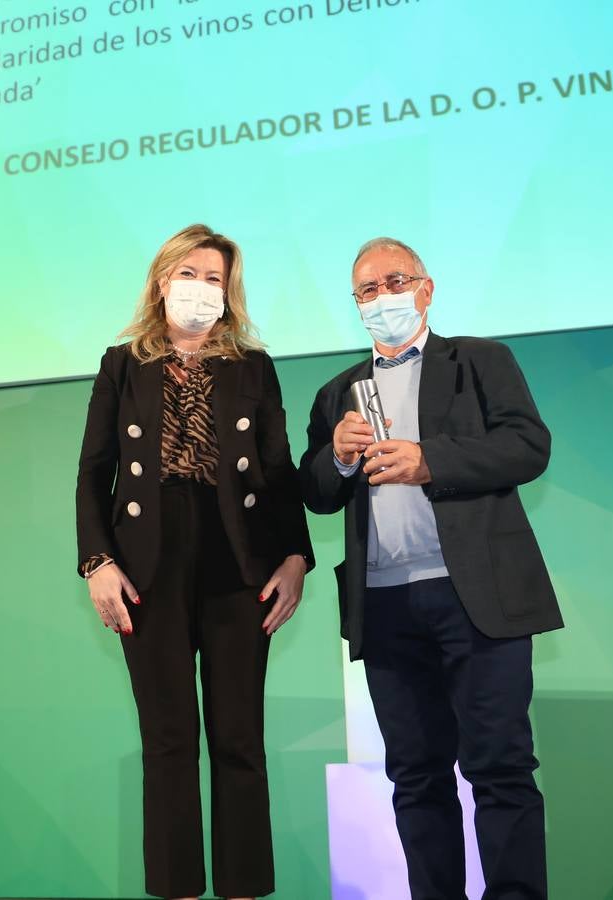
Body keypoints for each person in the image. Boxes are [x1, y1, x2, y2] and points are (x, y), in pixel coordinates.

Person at [300, 237, 563, 899]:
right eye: (367, 289)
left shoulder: (479, 361)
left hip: (477, 595)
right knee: (416, 776)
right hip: (385, 606)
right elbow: (314, 492)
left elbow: (528, 446)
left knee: (499, 767)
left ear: (426, 288)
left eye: (395, 281)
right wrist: (334, 456)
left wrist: (430, 462)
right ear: (356, 305)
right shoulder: (338, 392)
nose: (382, 297)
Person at [76, 224, 314, 900]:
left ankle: (242, 891)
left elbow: (276, 470)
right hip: (146, 562)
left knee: (240, 739)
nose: (201, 289)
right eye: (190, 274)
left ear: (228, 292)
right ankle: (178, 891)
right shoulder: (121, 363)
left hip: (239, 557)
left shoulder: (253, 366)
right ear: (161, 281)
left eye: (214, 279)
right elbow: (94, 471)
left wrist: (296, 555)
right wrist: (97, 561)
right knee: (169, 742)